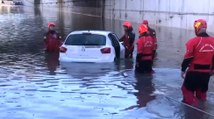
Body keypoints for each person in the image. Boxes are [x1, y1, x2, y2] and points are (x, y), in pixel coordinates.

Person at [181, 19, 214, 106]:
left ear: (197, 29)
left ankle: (191, 113)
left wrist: (183, 70)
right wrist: (212, 69)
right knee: (202, 93)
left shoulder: (193, 42)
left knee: (187, 91)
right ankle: (202, 112)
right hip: (206, 74)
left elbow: (188, 57)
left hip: (193, 73)